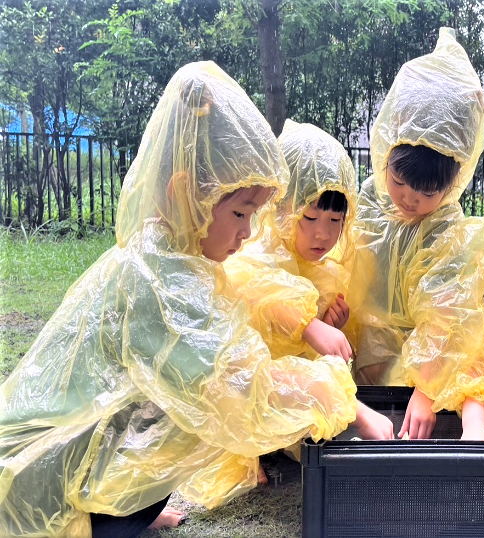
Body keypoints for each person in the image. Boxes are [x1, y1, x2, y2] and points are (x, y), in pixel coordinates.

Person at [0, 61, 367, 538]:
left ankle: (134, 512)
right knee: (200, 409)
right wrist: (346, 401)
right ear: (185, 194)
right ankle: (111, 520)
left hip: (67, 459)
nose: (247, 231)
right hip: (37, 489)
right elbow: (241, 393)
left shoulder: (171, 253)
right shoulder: (159, 275)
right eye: (239, 212)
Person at [347, 27, 484, 441]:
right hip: (370, 348)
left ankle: (471, 430)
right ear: (386, 152)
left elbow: (449, 315)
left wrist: (425, 389)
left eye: (427, 192)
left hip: (427, 356)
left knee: (477, 342)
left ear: (455, 178)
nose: (409, 200)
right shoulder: (369, 200)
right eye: (399, 182)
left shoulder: (447, 229)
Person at [225, 119, 394, 441]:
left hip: (292, 403)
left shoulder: (327, 267)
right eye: (311, 217)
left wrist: (333, 323)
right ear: (281, 209)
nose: (324, 233)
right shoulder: (257, 249)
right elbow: (251, 288)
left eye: (335, 220)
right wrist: (309, 325)